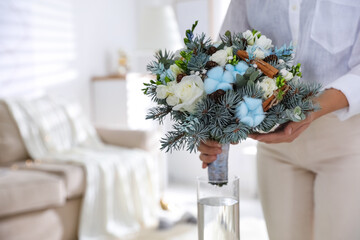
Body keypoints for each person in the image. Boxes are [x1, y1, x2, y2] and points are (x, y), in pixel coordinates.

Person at [198, 0, 360, 239]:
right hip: (274, 145)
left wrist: (309, 108)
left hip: (347, 142)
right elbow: (226, 55)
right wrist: (211, 127)